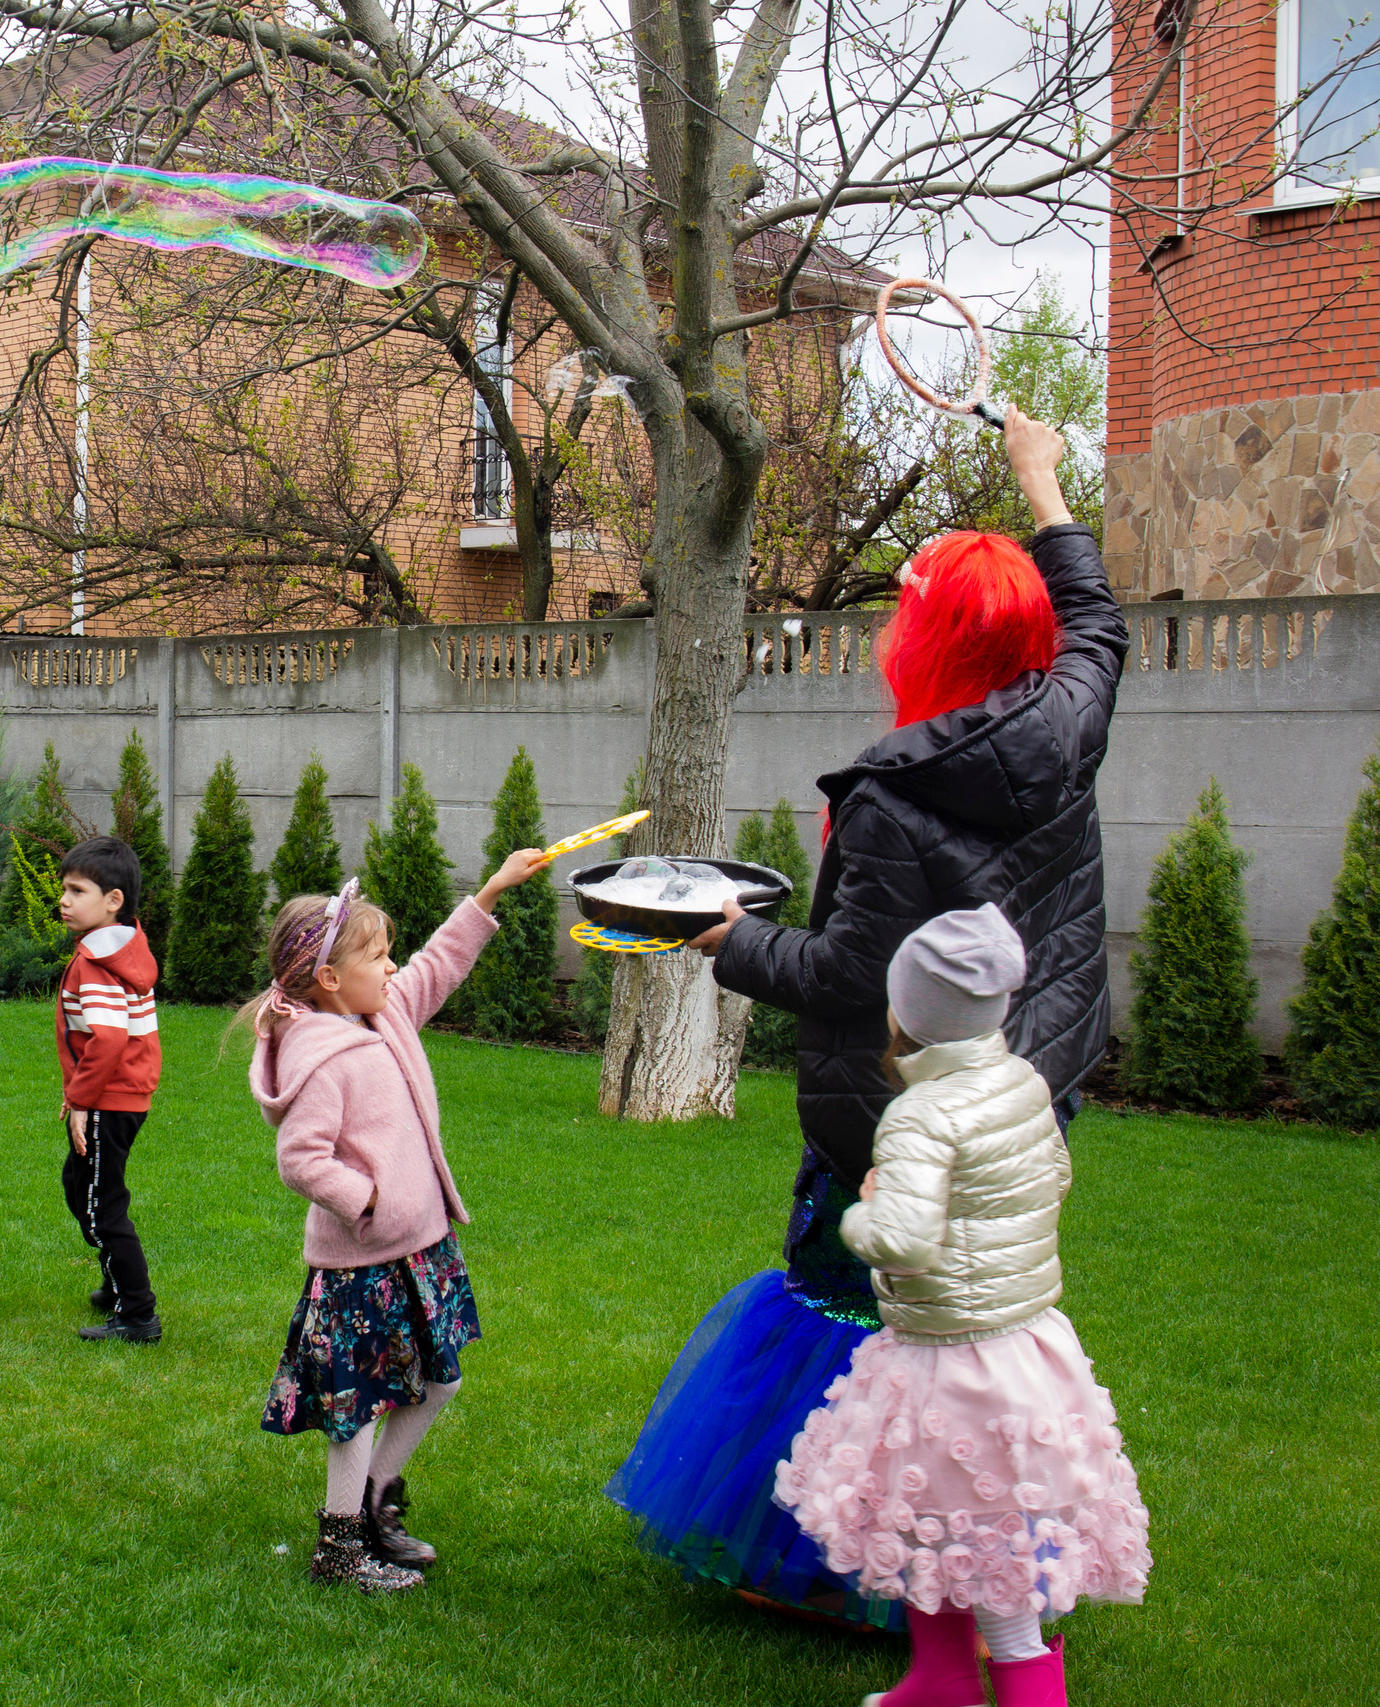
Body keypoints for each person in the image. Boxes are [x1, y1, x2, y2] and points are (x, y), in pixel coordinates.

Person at [605, 409, 1128, 1626]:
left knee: (854, 1309)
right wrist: (1040, 480)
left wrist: (721, 938)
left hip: (895, 1113)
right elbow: (1098, 618)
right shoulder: (1069, 720)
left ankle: (835, 1568)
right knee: (982, 1328)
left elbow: (850, 974)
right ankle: (972, 1571)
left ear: (929, 637)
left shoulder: (898, 796)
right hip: (1023, 1097)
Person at [775, 905, 1148, 1707]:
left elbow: (903, 1238)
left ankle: (1024, 1694)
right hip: (1025, 1345)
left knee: (990, 1559)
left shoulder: (921, 1114)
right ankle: (942, 1682)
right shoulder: (1023, 1080)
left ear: (906, 1012)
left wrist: (862, 1211)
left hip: (954, 1364)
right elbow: (1054, 1175)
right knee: (931, 1529)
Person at [246, 849, 553, 1593]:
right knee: (355, 1407)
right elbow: (302, 1159)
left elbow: (436, 965)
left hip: (421, 1249)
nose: (392, 967)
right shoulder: (322, 1056)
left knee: (438, 1379)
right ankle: (341, 1550)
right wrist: (370, 1202)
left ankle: (378, 1502)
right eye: (377, 956)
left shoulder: (382, 1012)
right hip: (362, 1264)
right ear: (328, 979)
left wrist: (491, 891)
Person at [52, 835, 164, 1344]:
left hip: (108, 1098)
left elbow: (110, 1036)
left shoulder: (96, 961)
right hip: (121, 1096)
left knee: (101, 1204)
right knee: (80, 1185)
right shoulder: (122, 945)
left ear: (113, 900)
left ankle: (137, 1315)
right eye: (64, 890)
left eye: (77, 891)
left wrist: (80, 1099)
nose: (65, 900)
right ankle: (115, 1282)